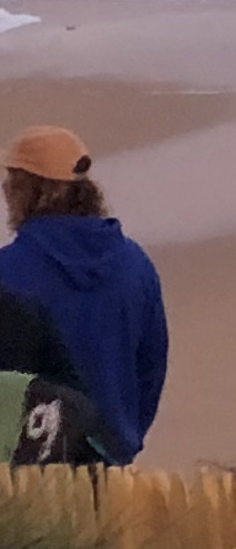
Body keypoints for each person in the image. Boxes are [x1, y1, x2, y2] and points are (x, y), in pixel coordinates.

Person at [0, 125, 162, 460]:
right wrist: (124, 440)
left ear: (24, 190)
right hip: (110, 452)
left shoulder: (8, 271)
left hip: (28, 463)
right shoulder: (135, 265)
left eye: (10, 182)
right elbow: (151, 367)